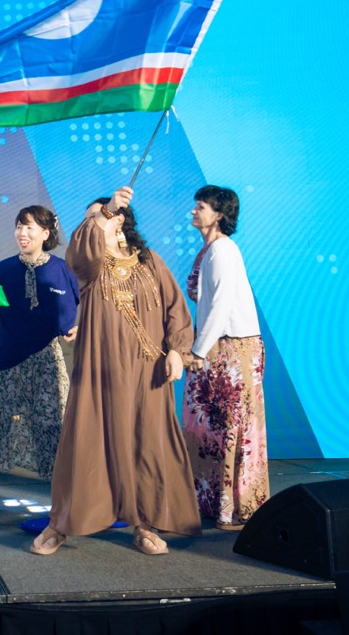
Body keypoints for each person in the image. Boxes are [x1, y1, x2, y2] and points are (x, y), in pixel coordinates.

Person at [32, 186, 200, 558]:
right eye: (91, 220)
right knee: (88, 443)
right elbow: (79, 250)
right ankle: (62, 524)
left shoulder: (149, 261)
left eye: (98, 218)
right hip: (100, 371)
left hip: (147, 373)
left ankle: (145, 524)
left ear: (120, 222)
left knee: (147, 444)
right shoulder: (88, 268)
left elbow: (175, 309)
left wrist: (177, 351)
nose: (90, 225)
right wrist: (105, 210)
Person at [0, 205, 79, 516]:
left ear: (45, 233)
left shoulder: (63, 270)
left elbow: (81, 308)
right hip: (7, 356)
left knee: (53, 424)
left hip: (47, 359)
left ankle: (62, 496)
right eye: (19, 226)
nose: (22, 233)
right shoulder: (3, 269)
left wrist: (79, 327)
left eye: (30, 227)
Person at [181, 185, 268, 530]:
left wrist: (197, 351)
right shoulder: (210, 250)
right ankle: (211, 503)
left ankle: (233, 509)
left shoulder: (222, 251)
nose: (193, 211)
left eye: (200, 206)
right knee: (212, 430)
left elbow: (220, 308)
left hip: (230, 349)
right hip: (218, 347)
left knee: (230, 430)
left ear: (218, 214)